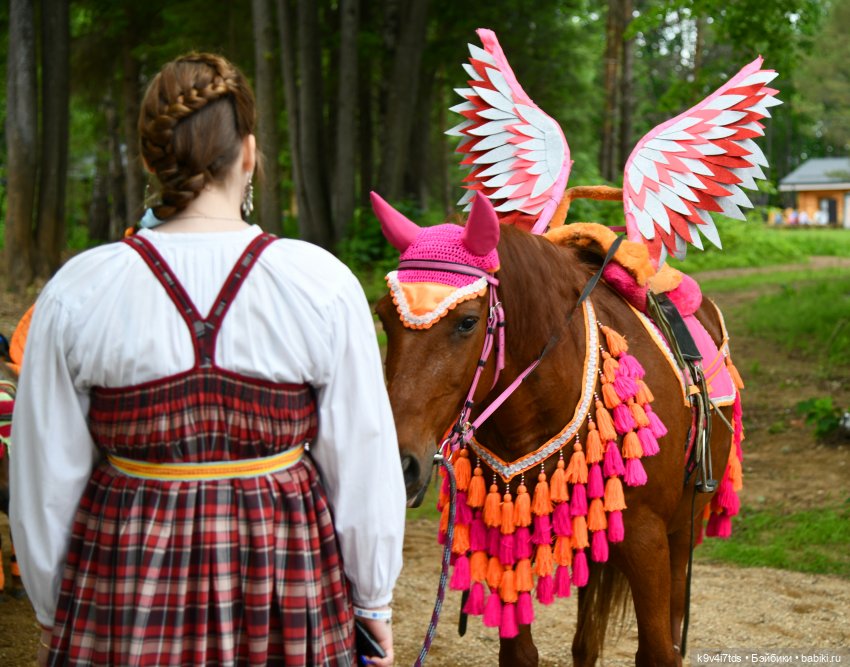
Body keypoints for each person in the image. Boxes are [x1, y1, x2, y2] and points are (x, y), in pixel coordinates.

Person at [10, 52, 405, 666]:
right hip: (285, 579)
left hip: (123, 590)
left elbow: (45, 482)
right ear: (248, 154)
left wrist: (52, 606)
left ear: (151, 159)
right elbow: (361, 458)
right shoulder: (318, 283)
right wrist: (372, 601)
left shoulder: (78, 291)